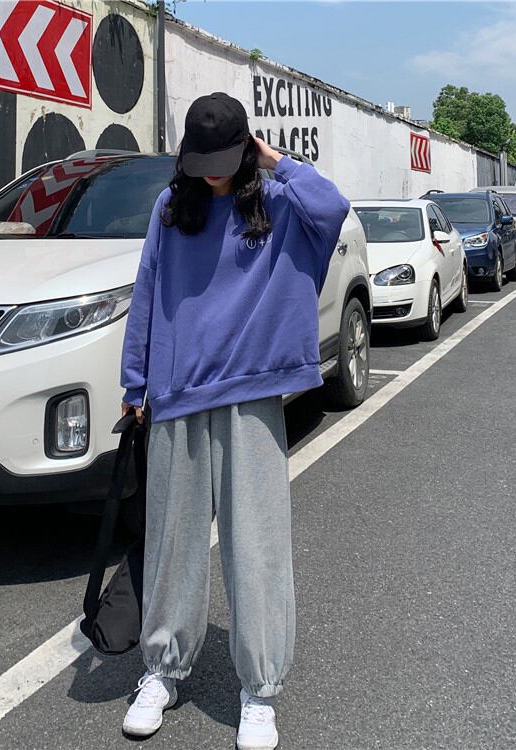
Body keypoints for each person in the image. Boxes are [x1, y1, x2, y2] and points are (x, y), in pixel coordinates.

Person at [118, 91, 350, 750]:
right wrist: (134, 381)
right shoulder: (172, 207)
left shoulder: (277, 202)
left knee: (258, 546)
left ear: (246, 149)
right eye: (203, 163)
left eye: (224, 161)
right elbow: (147, 290)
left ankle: (260, 690)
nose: (213, 175)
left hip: (252, 395)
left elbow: (333, 207)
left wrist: (276, 161)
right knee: (171, 543)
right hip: (178, 393)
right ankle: (163, 669)